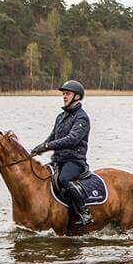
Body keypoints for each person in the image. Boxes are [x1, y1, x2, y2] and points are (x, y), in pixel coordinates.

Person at [30, 80, 93, 227]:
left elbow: (72, 139)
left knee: (64, 179)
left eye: (68, 94)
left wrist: (48, 146)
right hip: (59, 160)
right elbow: (52, 137)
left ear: (77, 97)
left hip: (74, 161)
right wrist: (39, 148)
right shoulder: (61, 116)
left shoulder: (82, 117)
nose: (64, 96)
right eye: (63, 94)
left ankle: (85, 213)